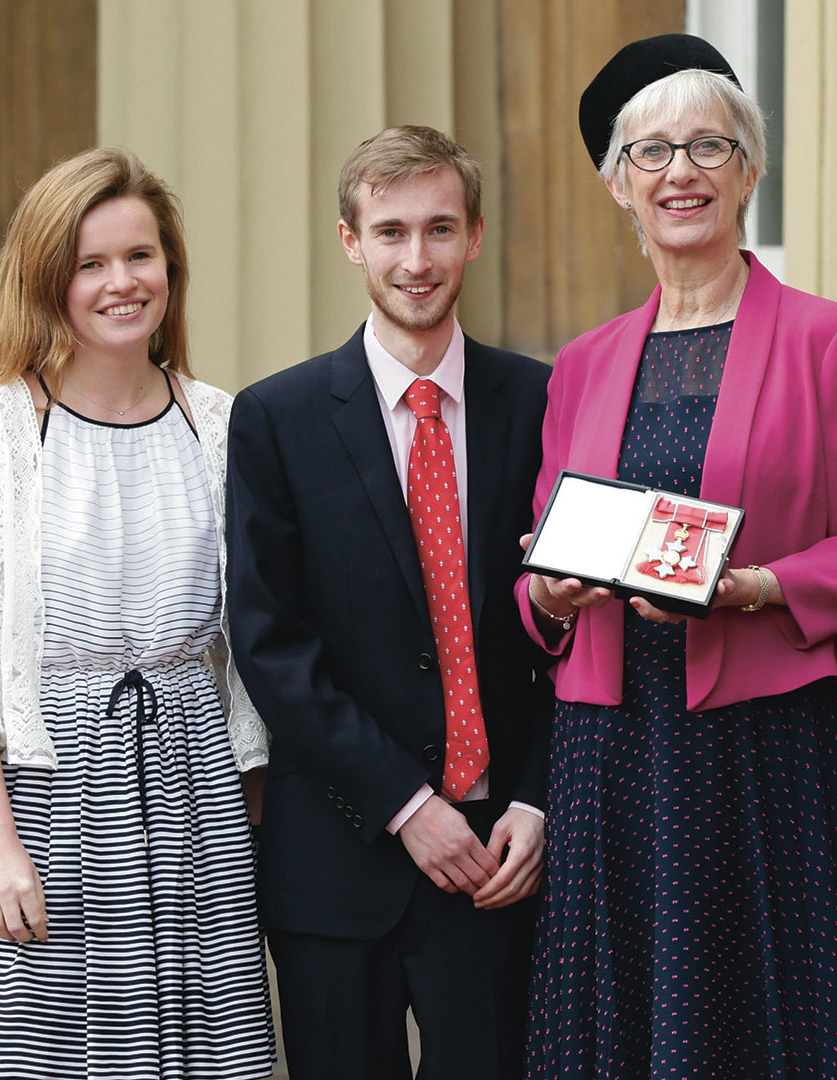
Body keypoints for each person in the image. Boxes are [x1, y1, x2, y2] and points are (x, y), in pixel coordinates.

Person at [518, 33, 837, 1080]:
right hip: (619, 754)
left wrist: (754, 588)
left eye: (709, 144)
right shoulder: (580, 366)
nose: (680, 173)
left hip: (778, 745)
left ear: (750, 170)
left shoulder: (826, 339)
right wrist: (554, 594)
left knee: (788, 1027)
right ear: (619, 186)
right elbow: (540, 581)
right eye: (650, 153)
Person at [0, 148, 275, 1078]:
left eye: (141, 257)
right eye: (91, 263)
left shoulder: (222, 425)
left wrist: (253, 810)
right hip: (43, 800)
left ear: (172, 270)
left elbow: (249, 648)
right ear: (48, 282)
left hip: (196, 801)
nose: (122, 283)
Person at [223, 126, 552, 1079]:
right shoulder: (277, 419)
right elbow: (270, 642)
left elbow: (568, 631)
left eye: (440, 229)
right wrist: (408, 804)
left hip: (499, 860)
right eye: (393, 231)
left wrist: (534, 795)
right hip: (341, 855)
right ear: (350, 240)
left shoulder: (538, 400)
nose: (418, 259)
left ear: (475, 237)